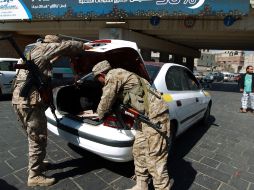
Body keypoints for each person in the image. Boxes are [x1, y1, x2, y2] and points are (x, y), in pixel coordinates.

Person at [12, 35, 92, 186]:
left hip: (19, 101)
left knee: (32, 136)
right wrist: (83, 46)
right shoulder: (44, 48)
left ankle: (38, 164)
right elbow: (67, 46)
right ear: (52, 44)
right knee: (38, 138)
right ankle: (35, 176)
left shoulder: (30, 51)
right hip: (30, 103)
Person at [92, 60, 171, 190]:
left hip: (156, 117)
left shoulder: (113, 75)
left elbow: (106, 100)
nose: (99, 82)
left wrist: (98, 115)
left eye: (98, 79)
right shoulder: (120, 75)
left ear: (102, 74)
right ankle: (142, 185)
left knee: (155, 159)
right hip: (143, 119)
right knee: (138, 151)